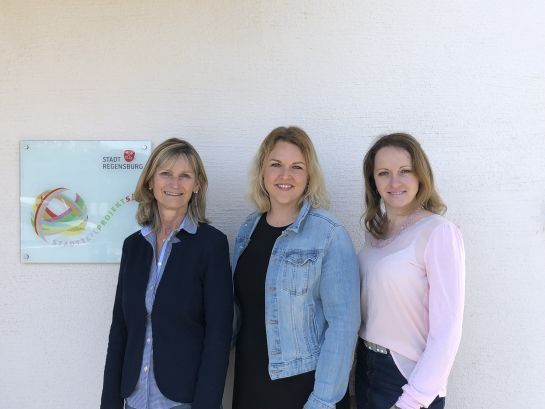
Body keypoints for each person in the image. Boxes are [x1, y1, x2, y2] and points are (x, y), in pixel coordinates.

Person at [231, 126, 360, 409]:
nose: (285, 175)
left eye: (296, 167)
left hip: (304, 388)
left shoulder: (329, 234)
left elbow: (343, 325)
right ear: (262, 172)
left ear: (309, 176)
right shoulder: (247, 230)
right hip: (250, 384)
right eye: (276, 165)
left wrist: (323, 401)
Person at [100, 138, 233, 409]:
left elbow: (219, 335)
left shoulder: (211, 245)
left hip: (183, 401)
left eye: (185, 175)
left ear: (197, 185)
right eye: (166, 173)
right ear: (150, 181)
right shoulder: (133, 247)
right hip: (134, 399)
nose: (175, 183)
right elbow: (120, 330)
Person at [355, 133, 465, 409]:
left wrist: (413, 400)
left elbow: (447, 332)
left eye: (405, 171)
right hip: (366, 367)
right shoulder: (374, 235)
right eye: (384, 173)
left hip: (406, 376)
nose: (394, 182)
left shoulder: (439, 232)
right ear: (373, 181)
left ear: (420, 175)